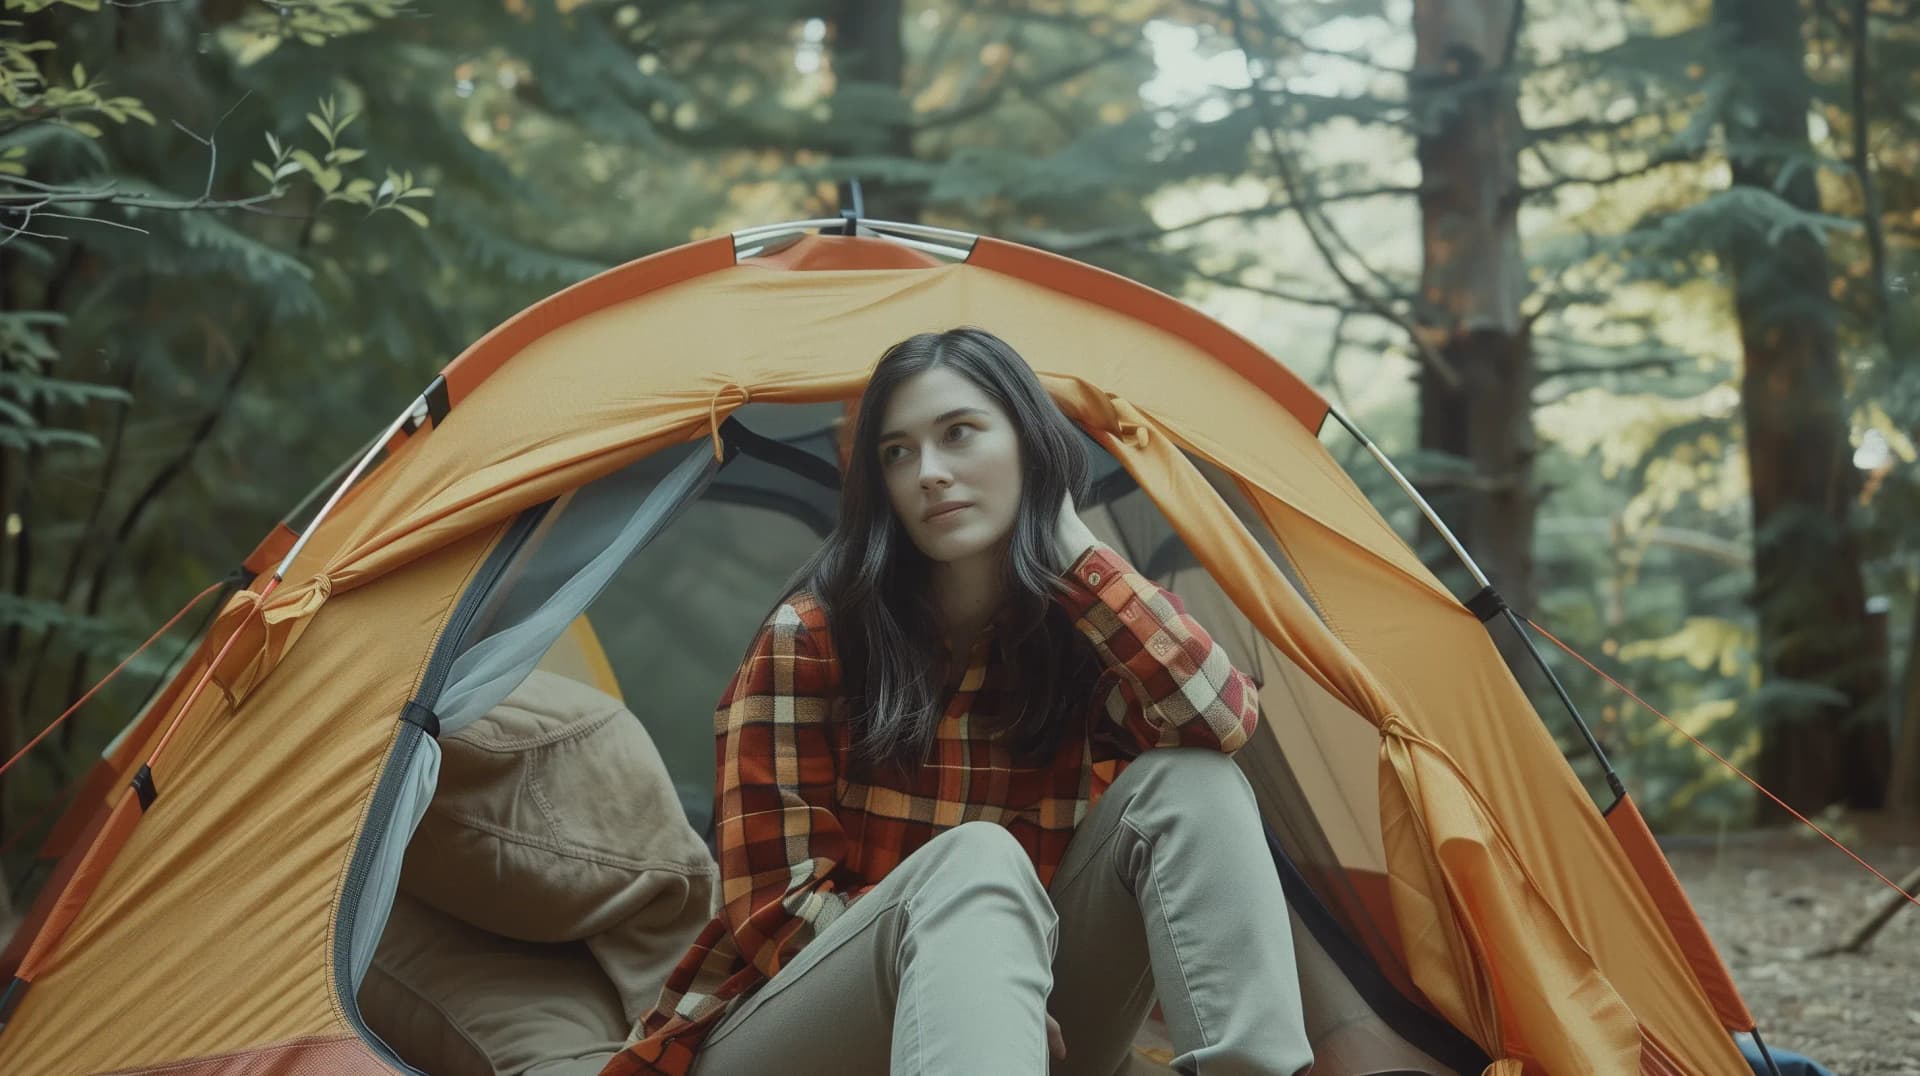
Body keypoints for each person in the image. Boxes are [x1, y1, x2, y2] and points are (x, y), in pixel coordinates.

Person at [604, 328, 1313, 1076]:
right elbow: (775, 916)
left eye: (959, 434)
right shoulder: (810, 638)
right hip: (795, 1029)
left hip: (1033, 1025)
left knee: (1192, 782)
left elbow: (1221, 721)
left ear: (1032, 446)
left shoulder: (1088, 631)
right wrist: (970, 971)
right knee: (976, 861)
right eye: (898, 453)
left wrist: (1074, 548)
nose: (929, 474)